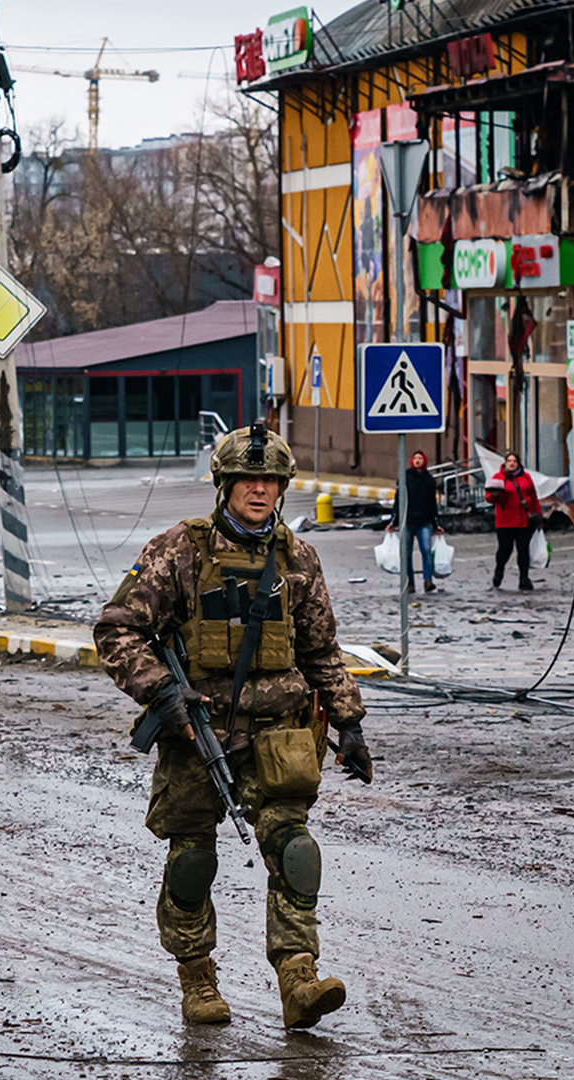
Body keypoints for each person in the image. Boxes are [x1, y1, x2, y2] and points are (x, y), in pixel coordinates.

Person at [95, 423, 372, 1030]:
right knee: (192, 860)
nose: (259, 490)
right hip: (197, 733)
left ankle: (298, 979)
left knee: (295, 850)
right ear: (224, 485)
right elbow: (116, 628)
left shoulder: (297, 559)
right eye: (247, 479)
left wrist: (349, 722)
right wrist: (162, 692)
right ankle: (198, 981)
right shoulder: (180, 550)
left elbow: (323, 651)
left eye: (270, 481)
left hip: (279, 735)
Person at [486, 451, 542, 591]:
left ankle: (524, 578)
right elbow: (489, 498)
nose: (512, 463)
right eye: (509, 461)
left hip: (524, 521)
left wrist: (538, 515)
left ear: (518, 463)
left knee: (523, 550)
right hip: (505, 522)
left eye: (514, 461)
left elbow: (533, 496)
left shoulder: (526, 477)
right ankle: (499, 572)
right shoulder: (498, 478)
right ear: (505, 463)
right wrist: (494, 495)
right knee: (505, 550)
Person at [400, 450, 440, 594]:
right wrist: (394, 520)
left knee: (426, 551)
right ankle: (410, 582)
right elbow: (399, 499)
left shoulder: (428, 479)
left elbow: (432, 503)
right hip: (408, 521)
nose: (418, 461)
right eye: (415, 458)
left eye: (420, 458)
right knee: (407, 554)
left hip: (424, 521)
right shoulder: (405, 477)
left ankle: (428, 580)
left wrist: (436, 524)